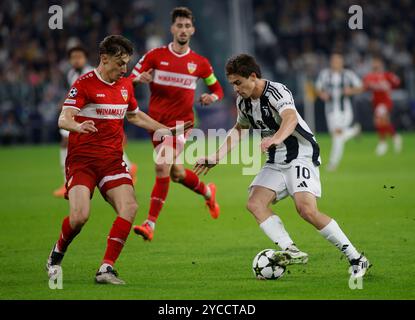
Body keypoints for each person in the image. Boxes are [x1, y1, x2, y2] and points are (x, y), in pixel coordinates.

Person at [194, 54, 370, 280]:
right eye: (232, 84)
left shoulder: (277, 91)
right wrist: (216, 156)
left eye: (238, 83)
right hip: (276, 159)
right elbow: (239, 129)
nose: (235, 89)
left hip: (301, 155)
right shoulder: (243, 102)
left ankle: (356, 258)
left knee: (306, 210)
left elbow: (290, 118)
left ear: (253, 76)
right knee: (255, 203)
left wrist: (276, 138)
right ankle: (291, 249)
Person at [46, 35, 190, 285]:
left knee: (130, 207)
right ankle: (56, 254)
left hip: (112, 161)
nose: (125, 69)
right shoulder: (84, 84)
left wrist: (164, 130)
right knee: (79, 217)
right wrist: (77, 127)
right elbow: (63, 118)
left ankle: (106, 268)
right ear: (104, 59)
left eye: (127, 64)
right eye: (120, 63)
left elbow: (134, 116)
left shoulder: (125, 86)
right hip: (83, 161)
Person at [130, 7, 224, 241]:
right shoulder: (154, 56)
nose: (183, 30)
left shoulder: (200, 63)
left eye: (187, 26)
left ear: (193, 29)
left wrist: (211, 97)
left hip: (182, 124)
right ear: (172, 28)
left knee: (161, 166)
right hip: (156, 125)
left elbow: (217, 88)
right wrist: (138, 79)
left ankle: (150, 223)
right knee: (177, 174)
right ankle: (207, 191)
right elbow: (128, 79)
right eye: (179, 25)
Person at [53, 46, 137, 198]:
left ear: (85, 59)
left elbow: (113, 94)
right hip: (80, 117)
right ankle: (67, 181)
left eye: (79, 57)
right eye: (73, 57)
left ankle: (128, 167)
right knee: (66, 141)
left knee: (106, 143)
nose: (76, 60)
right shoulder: (72, 73)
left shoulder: (94, 74)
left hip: (95, 118)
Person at [315, 52, 363, 171]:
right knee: (337, 136)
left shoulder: (348, 74)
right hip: (330, 110)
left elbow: (360, 87)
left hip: (344, 111)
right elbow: (317, 89)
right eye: (333, 61)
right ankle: (353, 131)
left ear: (342, 62)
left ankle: (333, 164)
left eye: (337, 61)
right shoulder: (324, 74)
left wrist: (350, 91)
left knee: (337, 135)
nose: (335, 63)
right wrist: (322, 94)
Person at [363, 56, 402, 156]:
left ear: (381, 65)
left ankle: (383, 143)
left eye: (377, 63)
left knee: (378, 120)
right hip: (376, 103)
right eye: (374, 63)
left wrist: (389, 84)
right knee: (384, 122)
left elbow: (397, 81)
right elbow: (365, 85)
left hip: (385, 102)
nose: (375, 65)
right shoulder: (370, 76)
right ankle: (395, 137)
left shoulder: (386, 75)